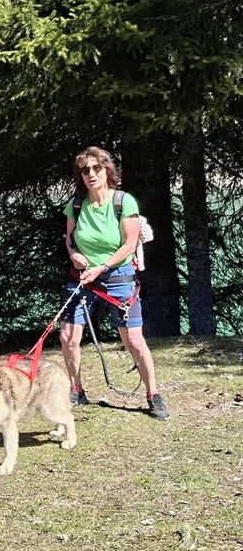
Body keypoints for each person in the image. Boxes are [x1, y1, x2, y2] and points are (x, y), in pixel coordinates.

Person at [60, 146, 169, 420]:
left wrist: (100, 268)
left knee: (133, 339)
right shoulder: (76, 205)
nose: (91, 174)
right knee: (68, 337)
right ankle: (76, 389)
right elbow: (70, 241)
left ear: (108, 170)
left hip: (118, 277)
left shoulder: (124, 202)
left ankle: (153, 394)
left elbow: (129, 245)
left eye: (96, 168)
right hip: (82, 279)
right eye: (85, 170)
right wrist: (76, 257)